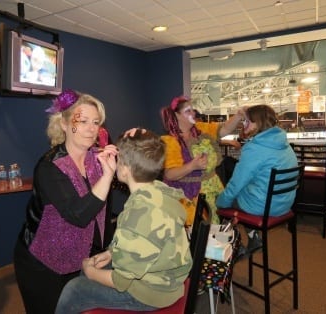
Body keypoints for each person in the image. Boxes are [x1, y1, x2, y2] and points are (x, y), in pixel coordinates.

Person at [55, 129, 192, 313]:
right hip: (166, 277)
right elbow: (143, 244)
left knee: (74, 289)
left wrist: (90, 272)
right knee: (95, 267)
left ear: (125, 170)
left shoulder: (139, 214)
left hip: (151, 293)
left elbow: (121, 281)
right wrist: (111, 253)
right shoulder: (159, 192)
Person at [13, 89, 118, 314]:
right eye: (83, 121)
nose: (92, 129)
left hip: (81, 258)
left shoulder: (96, 160)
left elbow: (103, 211)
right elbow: (78, 215)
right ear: (64, 123)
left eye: (96, 122)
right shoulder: (49, 167)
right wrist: (108, 176)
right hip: (42, 262)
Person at [216, 104, 298, 254]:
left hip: (263, 206)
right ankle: (253, 237)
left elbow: (235, 184)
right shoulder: (284, 144)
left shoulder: (254, 148)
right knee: (241, 196)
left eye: (248, 121)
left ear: (259, 123)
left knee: (222, 204)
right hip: (284, 204)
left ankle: (230, 250)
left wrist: (219, 203)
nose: (244, 124)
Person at [160, 95, 244, 225]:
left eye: (193, 110)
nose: (193, 113)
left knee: (229, 220)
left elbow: (225, 129)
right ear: (177, 115)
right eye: (188, 111)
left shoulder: (200, 128)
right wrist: (192, 166)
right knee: (210, 228)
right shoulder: (170, 141)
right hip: (193, 196)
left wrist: (238, 115)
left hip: (214, 186)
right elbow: (170, 174)